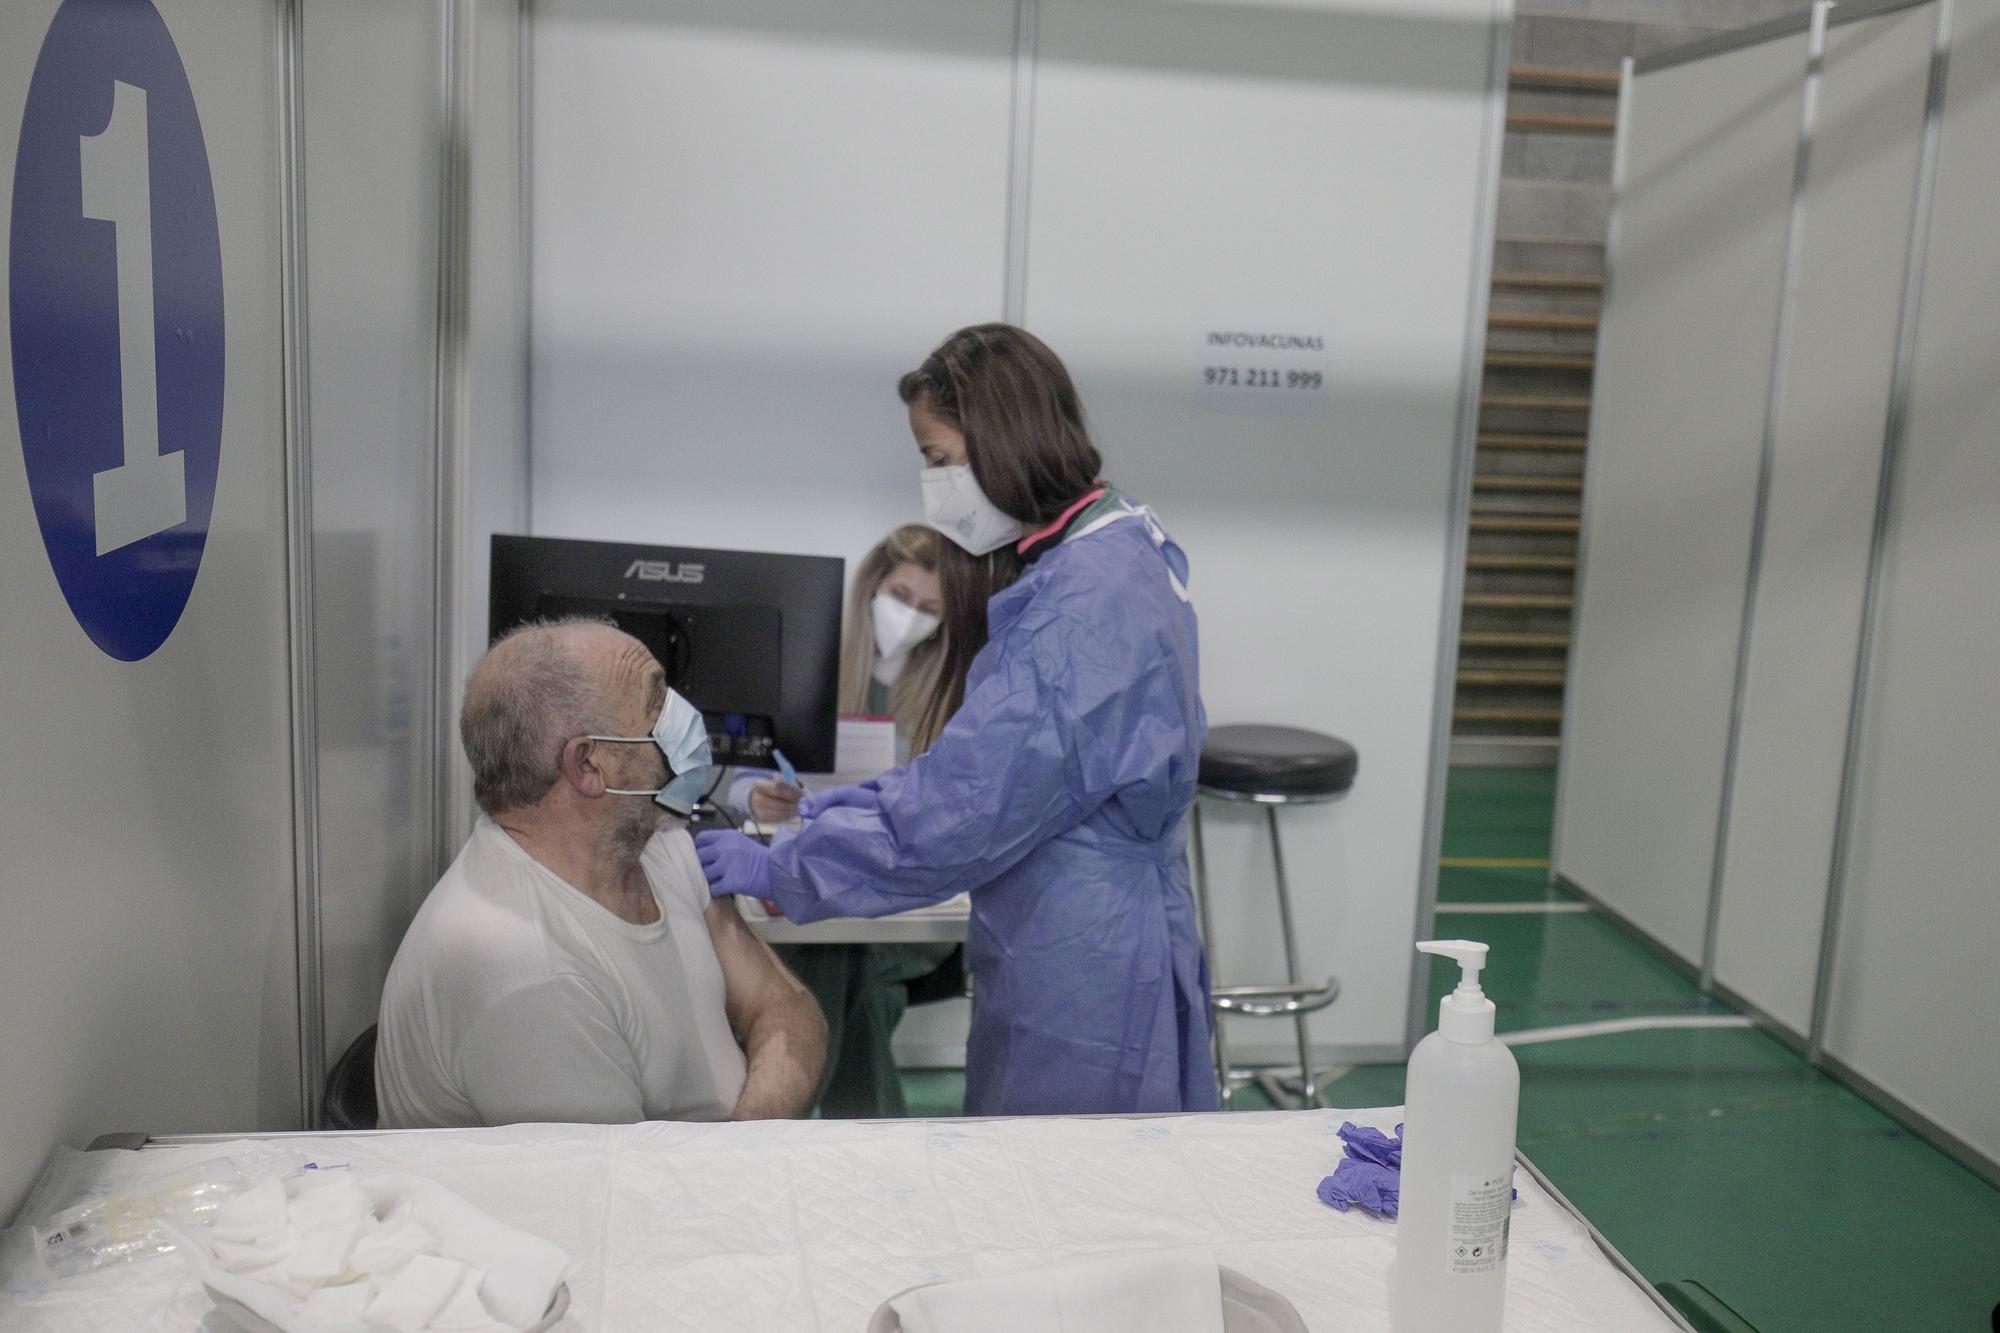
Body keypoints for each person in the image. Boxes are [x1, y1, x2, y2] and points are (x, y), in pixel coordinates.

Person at [697, 324, 1215, 1116]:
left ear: (1004, 438)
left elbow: (966, 809)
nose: (932, 481)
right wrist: (839, 809)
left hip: (1085, 959)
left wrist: (789, 866)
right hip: (1083, 922)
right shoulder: (1107, 548)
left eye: (939, 458)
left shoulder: (1085, 603)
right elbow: (990, 768)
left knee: (1070, 1202)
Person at [375, 619, 826, 1128]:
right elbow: (617, 1198)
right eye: (657, 702)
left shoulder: (660, 846)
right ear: (589, 766)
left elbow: (786, 1007)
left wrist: (749, 1138)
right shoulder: (525, 967)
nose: (688, 717)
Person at [728, 525, 970, 1119]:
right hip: (816, 874)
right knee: (846, 963)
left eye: (930, 610)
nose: (910, 618)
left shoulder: (953, 690)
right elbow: (731, 770)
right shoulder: (808, 663)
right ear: (871, 587)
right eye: (901, 597)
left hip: (903, 894)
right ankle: (867, 1138)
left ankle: (783, 1118)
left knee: (838, 955)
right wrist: (755, 794)